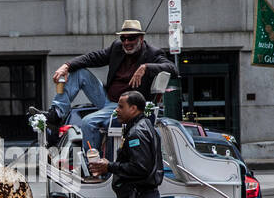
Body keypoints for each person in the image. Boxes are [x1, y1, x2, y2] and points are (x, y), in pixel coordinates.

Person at [43, 18, 176, 163]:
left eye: (131, 38)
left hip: (124, 106)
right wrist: (66, 65)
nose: (126, 42)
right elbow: (91, 58)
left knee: (88, 122)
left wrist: (146, 67)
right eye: (123, 38)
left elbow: (172, 69)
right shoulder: (117, 48)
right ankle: (57, 113)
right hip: (107, 98)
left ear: (141, 38)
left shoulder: (153, 53)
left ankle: (92, 166)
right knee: (79, 72)